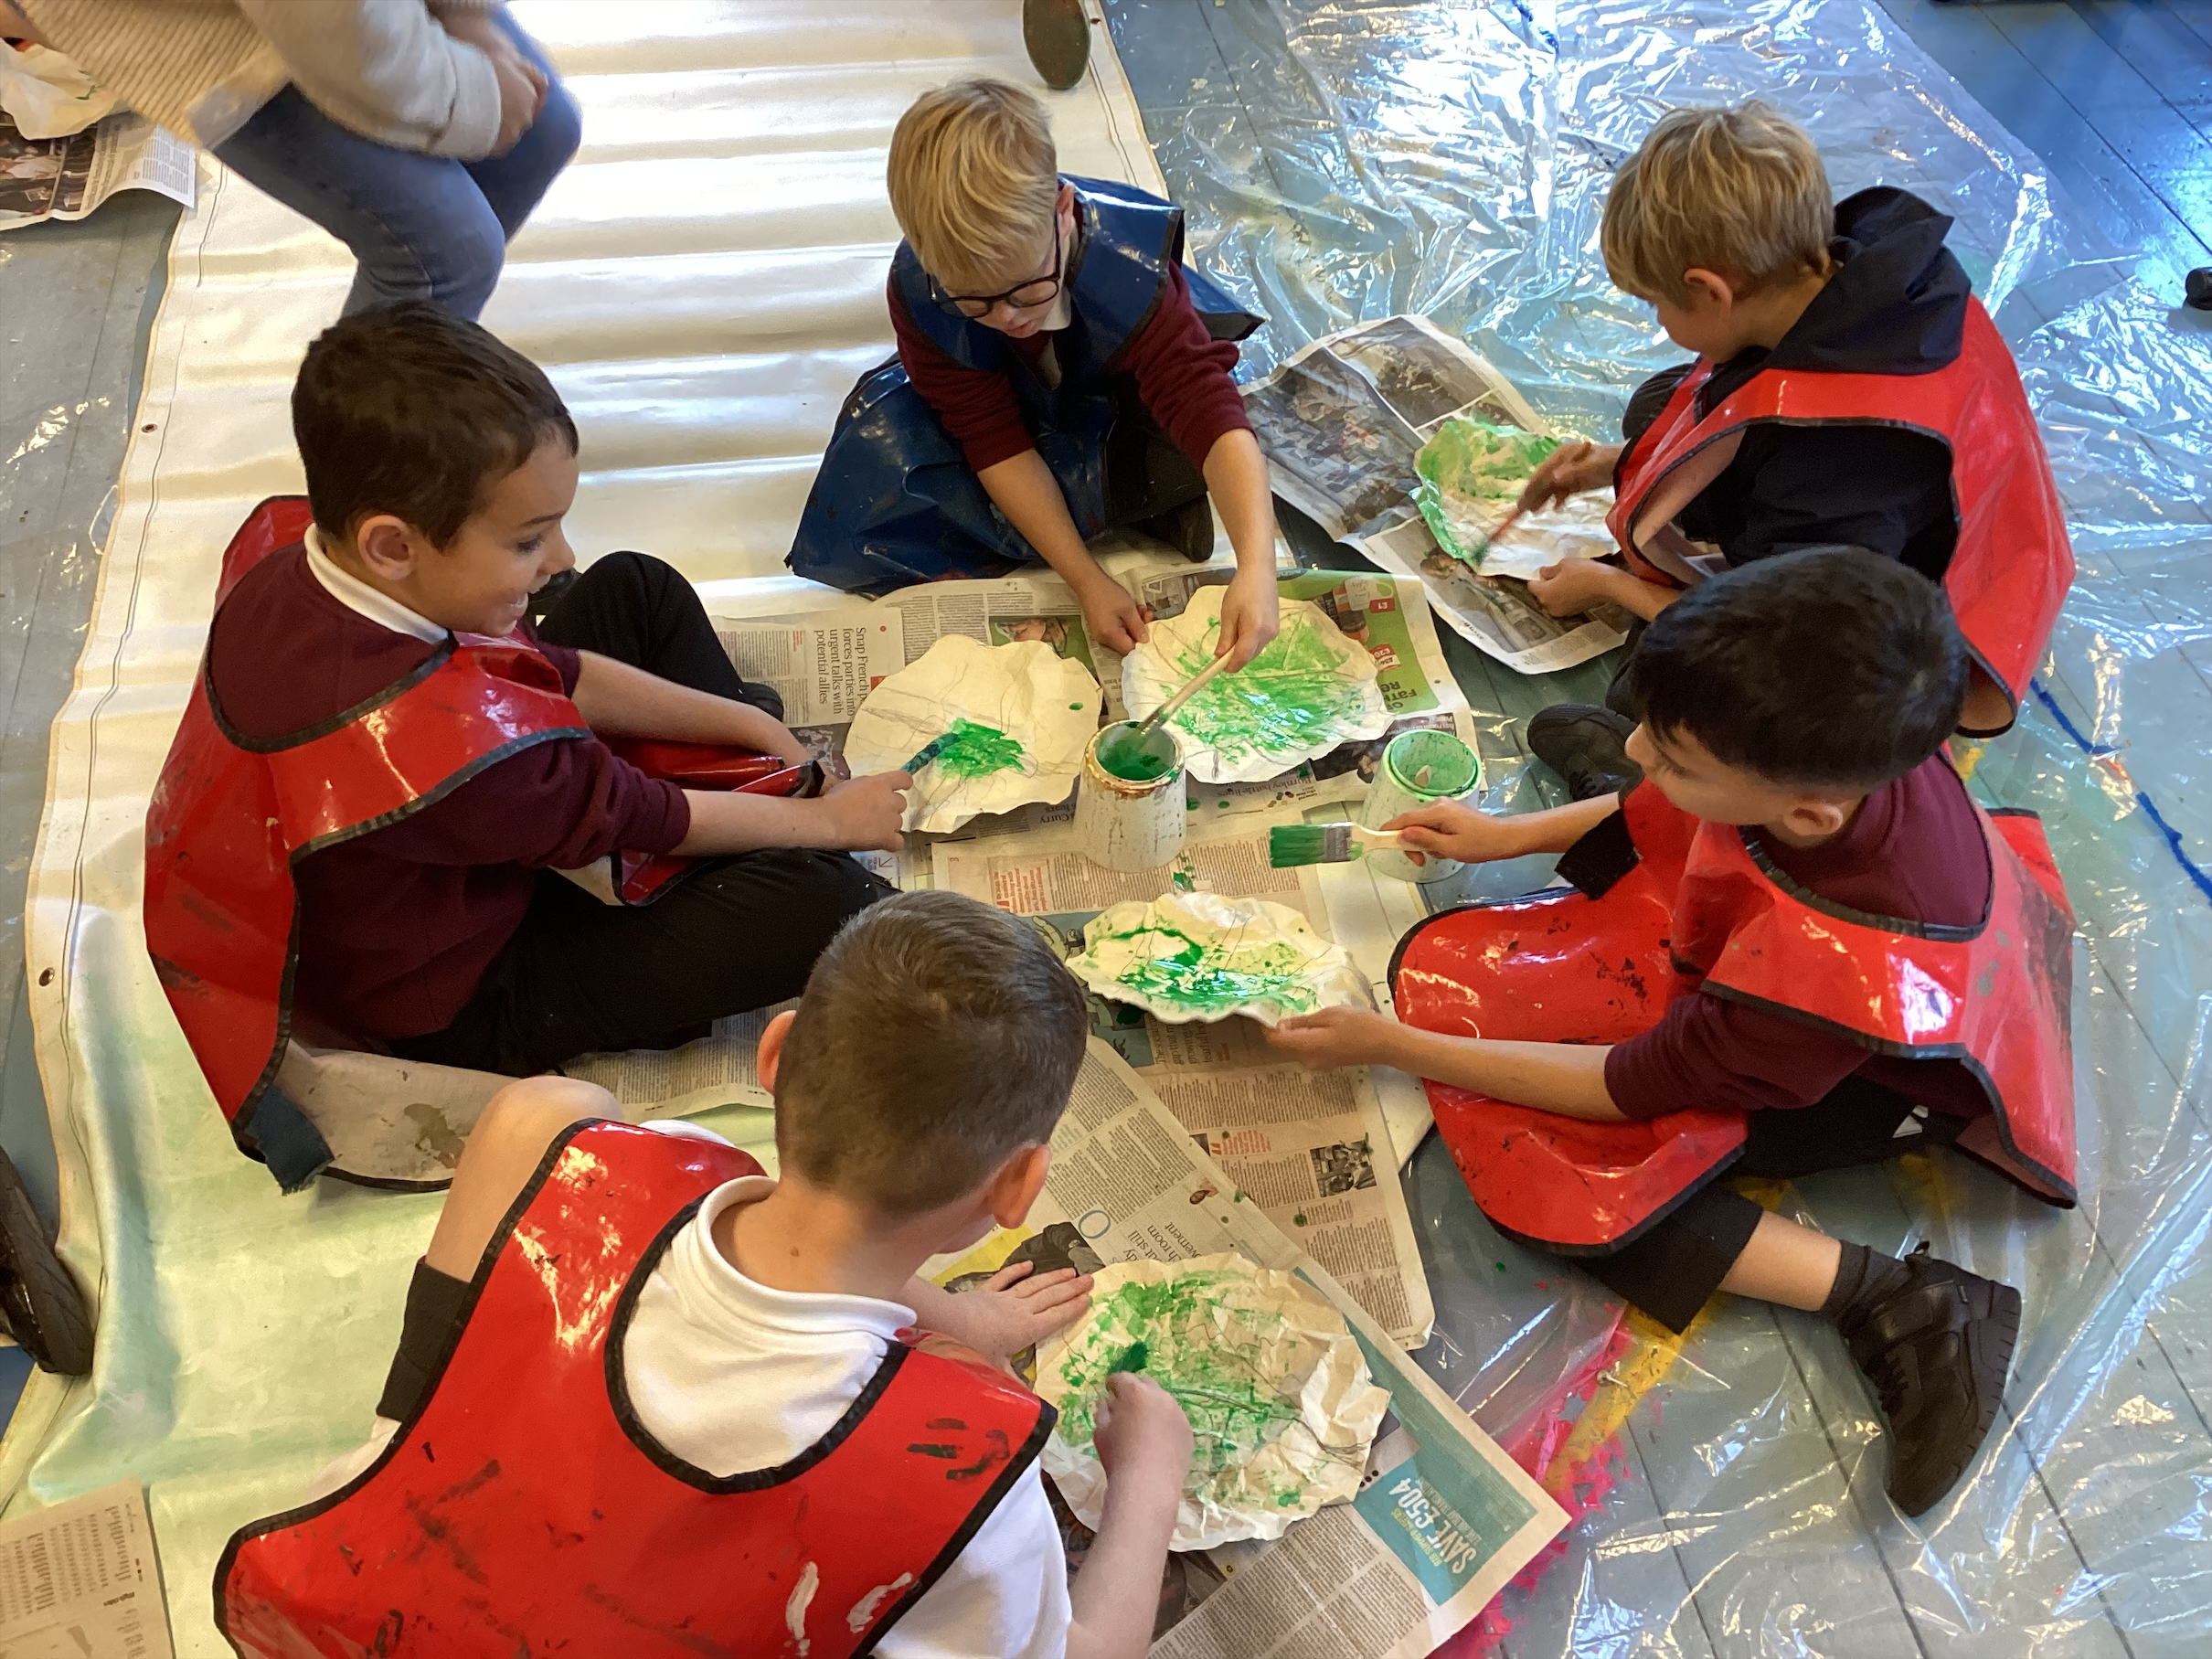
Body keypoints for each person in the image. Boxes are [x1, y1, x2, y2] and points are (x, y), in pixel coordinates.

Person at [1270, 549, 2077, 1517]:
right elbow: (1678, 820)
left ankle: (1902, 1300)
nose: (1642, 754)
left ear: (1804, 808)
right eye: (1653, 734)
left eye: (1676, 756)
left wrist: (1392, 1045)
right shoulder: (1845, 753)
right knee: (1645, 818)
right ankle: (1669, 781)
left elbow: (1623, 1086)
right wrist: (1506, 835)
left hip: (1887, 1071)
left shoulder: (1820, 978)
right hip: (1812, 928)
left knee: (1589, 1189)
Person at [216, 891, 1196, 1659]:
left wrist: (962, 1325)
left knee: (556, 1105)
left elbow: (803, 1252)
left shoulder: (565, 1148)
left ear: (771, 1056)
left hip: (344, 1615)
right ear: (1019, 1185)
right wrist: (1148, 1481)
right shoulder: (967, 1478)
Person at [144, 302, 909, 1191]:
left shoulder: (302, 550)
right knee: (828, 896)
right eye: (524, 540)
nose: (557, 558)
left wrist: (752, 729)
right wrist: (827, 819)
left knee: (635, 589)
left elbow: (541, 663)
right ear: (392, 546)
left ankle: (754, 799)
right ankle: (757, 834)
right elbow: (642, 816)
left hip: (467, 834)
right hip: (473, 994)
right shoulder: (441, 751)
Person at [1511, 101, 2072, 798]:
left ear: (1710, 290)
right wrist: (1614, 463)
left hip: (1892, 638)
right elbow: (1742, 395)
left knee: (1681, 686)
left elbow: (1784, 635)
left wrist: (1608, 585)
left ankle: (1639, 791)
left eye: (1656, 304)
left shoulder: (1836, 473)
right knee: (1660, 408)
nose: (1656, 322)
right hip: (1945, 514)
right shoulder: (1868, 266)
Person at [789, 79, 1284, 672]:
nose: (1008, 318)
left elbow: (1207, 409)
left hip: (1109, 381)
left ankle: (1153, 499)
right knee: (886, 477)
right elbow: (991, 437)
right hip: (1021, 397)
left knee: (1192, 450)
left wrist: (1258, 565)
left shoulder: (1130, 274)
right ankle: (1113, 504)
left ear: (1064, 211)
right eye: (975, 302)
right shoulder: (921, 290)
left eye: (1028, 290)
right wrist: (1085, 579)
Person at [7, 0, 577, 319]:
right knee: (444, 253)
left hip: (329, 17)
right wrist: (468, 96)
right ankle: (368, 482)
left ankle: (420, 368)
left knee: (544, 134)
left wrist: (466, 14)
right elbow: (342, 33)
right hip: (199, 30)